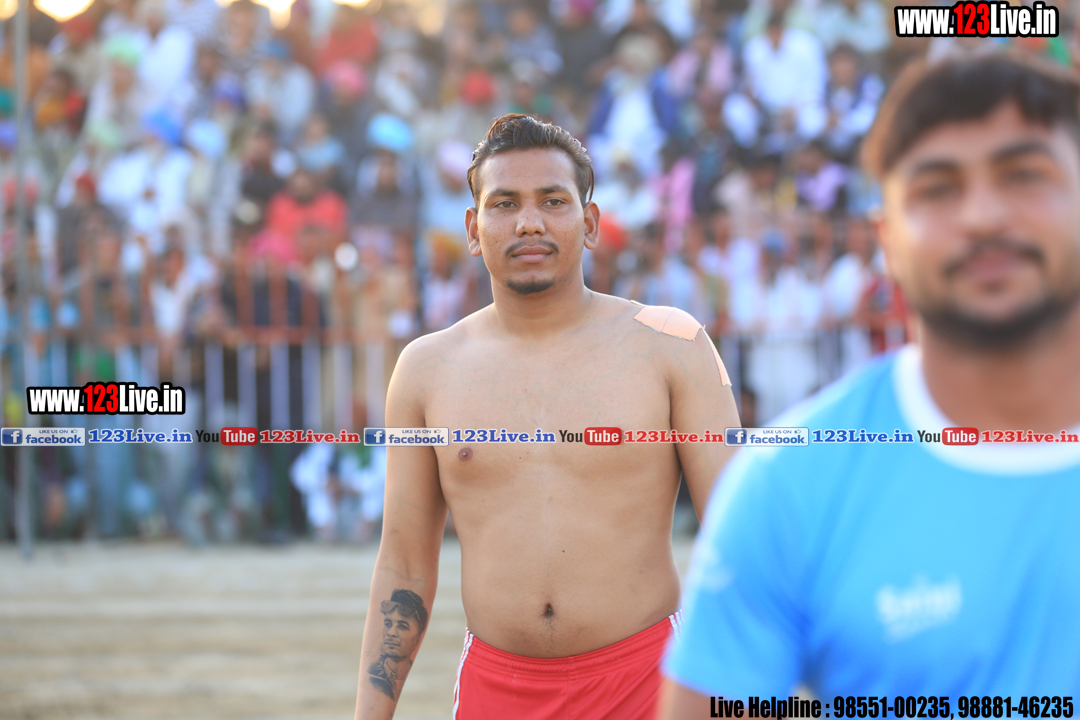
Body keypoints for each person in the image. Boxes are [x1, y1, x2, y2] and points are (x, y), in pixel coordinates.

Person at [659, 52, 1080, 714]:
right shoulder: (786, 484)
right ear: (887, 241)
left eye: (1023, 175)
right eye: (937, 189)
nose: (983, 215)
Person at [353, 113, 740, 720]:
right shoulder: (426, 369)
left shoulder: (672, 345)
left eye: (552, 201)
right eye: (504, 203)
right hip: (496, 692)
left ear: (589, 223)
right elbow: (403, 564)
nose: (528, 222)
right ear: (473, 229)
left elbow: (740, 534)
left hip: (649, 685)